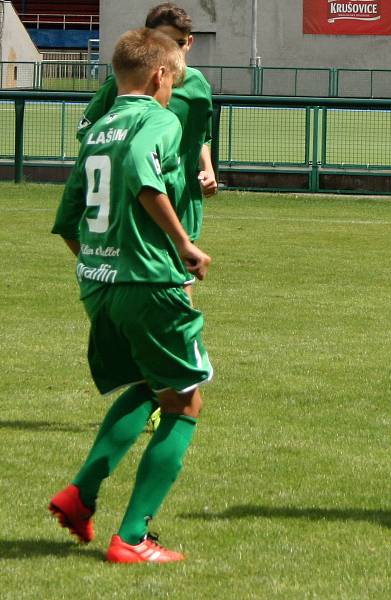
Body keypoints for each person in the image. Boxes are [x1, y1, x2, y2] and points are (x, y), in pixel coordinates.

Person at [49, 27, 213, 563]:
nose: (172, 95)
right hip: (148, 284)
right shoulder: (157, 118)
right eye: (173, 84)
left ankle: (79, 496)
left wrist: (102, 264)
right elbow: (146, 175)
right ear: (161, 76)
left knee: (150, 383)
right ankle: (133, 537)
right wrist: (185, 244)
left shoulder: (97, 129)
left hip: (99, 287)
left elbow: (69, 218)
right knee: (186, 398)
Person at [77, 2, 216, 430]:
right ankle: (170, 397)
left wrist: (206, 168)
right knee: (158, 301)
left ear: (187, 44)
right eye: (154, 40)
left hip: (180, 207)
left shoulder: (197, 89)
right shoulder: (127, 86)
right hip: (136, 211)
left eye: (171, 43)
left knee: (179, 297)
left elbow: (200, 138)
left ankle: (167, 393)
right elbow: (93, 133)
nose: (161, 51)